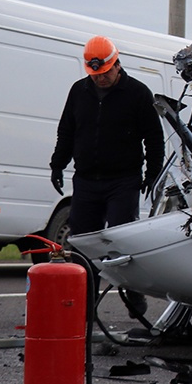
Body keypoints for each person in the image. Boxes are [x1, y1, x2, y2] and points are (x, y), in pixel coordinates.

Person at [50, 35, 164, 237]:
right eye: (95, 75)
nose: (101, 79)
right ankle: (87, 269)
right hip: (86, 181)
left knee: (121, 236)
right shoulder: (78, 92)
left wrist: (153, 174)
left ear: (117, 65)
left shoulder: (138, 94)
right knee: (82, 238)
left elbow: (154, 137)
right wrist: (57, 165)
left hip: (123, 182)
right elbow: (67, 131)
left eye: (105, 73)